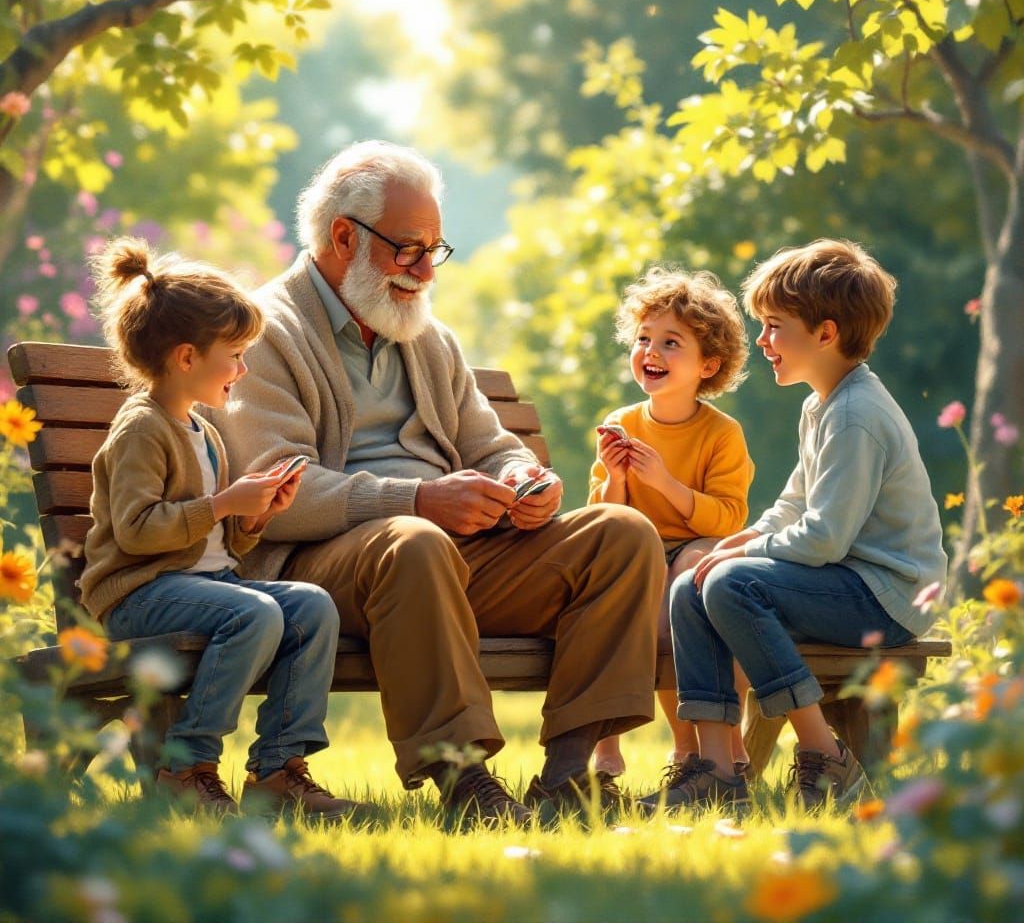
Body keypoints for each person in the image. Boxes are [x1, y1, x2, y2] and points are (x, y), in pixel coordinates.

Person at [211, 140, 665, 825]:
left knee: (622, 534)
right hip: (327, 570)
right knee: (414, 539)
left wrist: (523, 479)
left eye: (435, 249)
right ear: (343, 236)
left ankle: (570, 776)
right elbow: (279, 494)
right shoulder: (265, 331)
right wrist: (418, 498)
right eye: (409, 249)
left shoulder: (427, 337)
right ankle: (464, 781)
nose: (426, 270)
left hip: (443, 557)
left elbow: (491, 445)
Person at [642, 239, 947, 811]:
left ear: (825, 333)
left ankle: (824, 754)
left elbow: (824, 536)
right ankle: (714, 769)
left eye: (774, 326)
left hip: (883, 595)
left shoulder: (856, 415)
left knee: (731, 584)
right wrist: (738, 542)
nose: (762, 341)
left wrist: (736, 562)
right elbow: (791, 506)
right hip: (839, 581)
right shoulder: (822, 404)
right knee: (693, 582)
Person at [80, 237, 365, 821]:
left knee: (312, 606)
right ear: (187, 358)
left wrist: (253, 515)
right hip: (139, 595)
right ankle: (186, 765)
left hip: (202, 588)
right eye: (234, 355)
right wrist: (223, 503)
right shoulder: (142, 429)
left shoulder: (203, 431)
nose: (242, 369)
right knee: (254, 613)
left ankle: (278, 769)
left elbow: (216, 545)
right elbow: (136, 533)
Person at [587, 267, 754, 780]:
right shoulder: (622, 423)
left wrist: (662, 482)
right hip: (637, 549)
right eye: (643, 338)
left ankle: (724, 739)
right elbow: (603, 516)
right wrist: (616, 477)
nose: (651, 351)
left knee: (692, 579)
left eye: (670, 342)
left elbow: (728, 516)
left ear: (709, 364)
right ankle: (683, 745)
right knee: (643, 595)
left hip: (700, 545)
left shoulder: (722, 434)